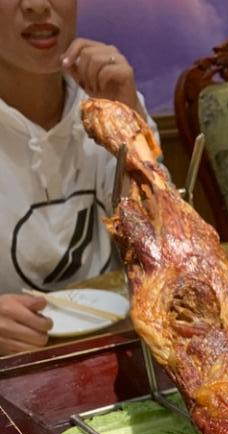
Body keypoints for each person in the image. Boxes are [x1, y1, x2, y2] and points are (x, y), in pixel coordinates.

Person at [0, 0, 157, 355]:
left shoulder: (109, 102)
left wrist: (128, 123)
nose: (37, 5)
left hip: (118, 349)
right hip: (15, 365)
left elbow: (162, 242)